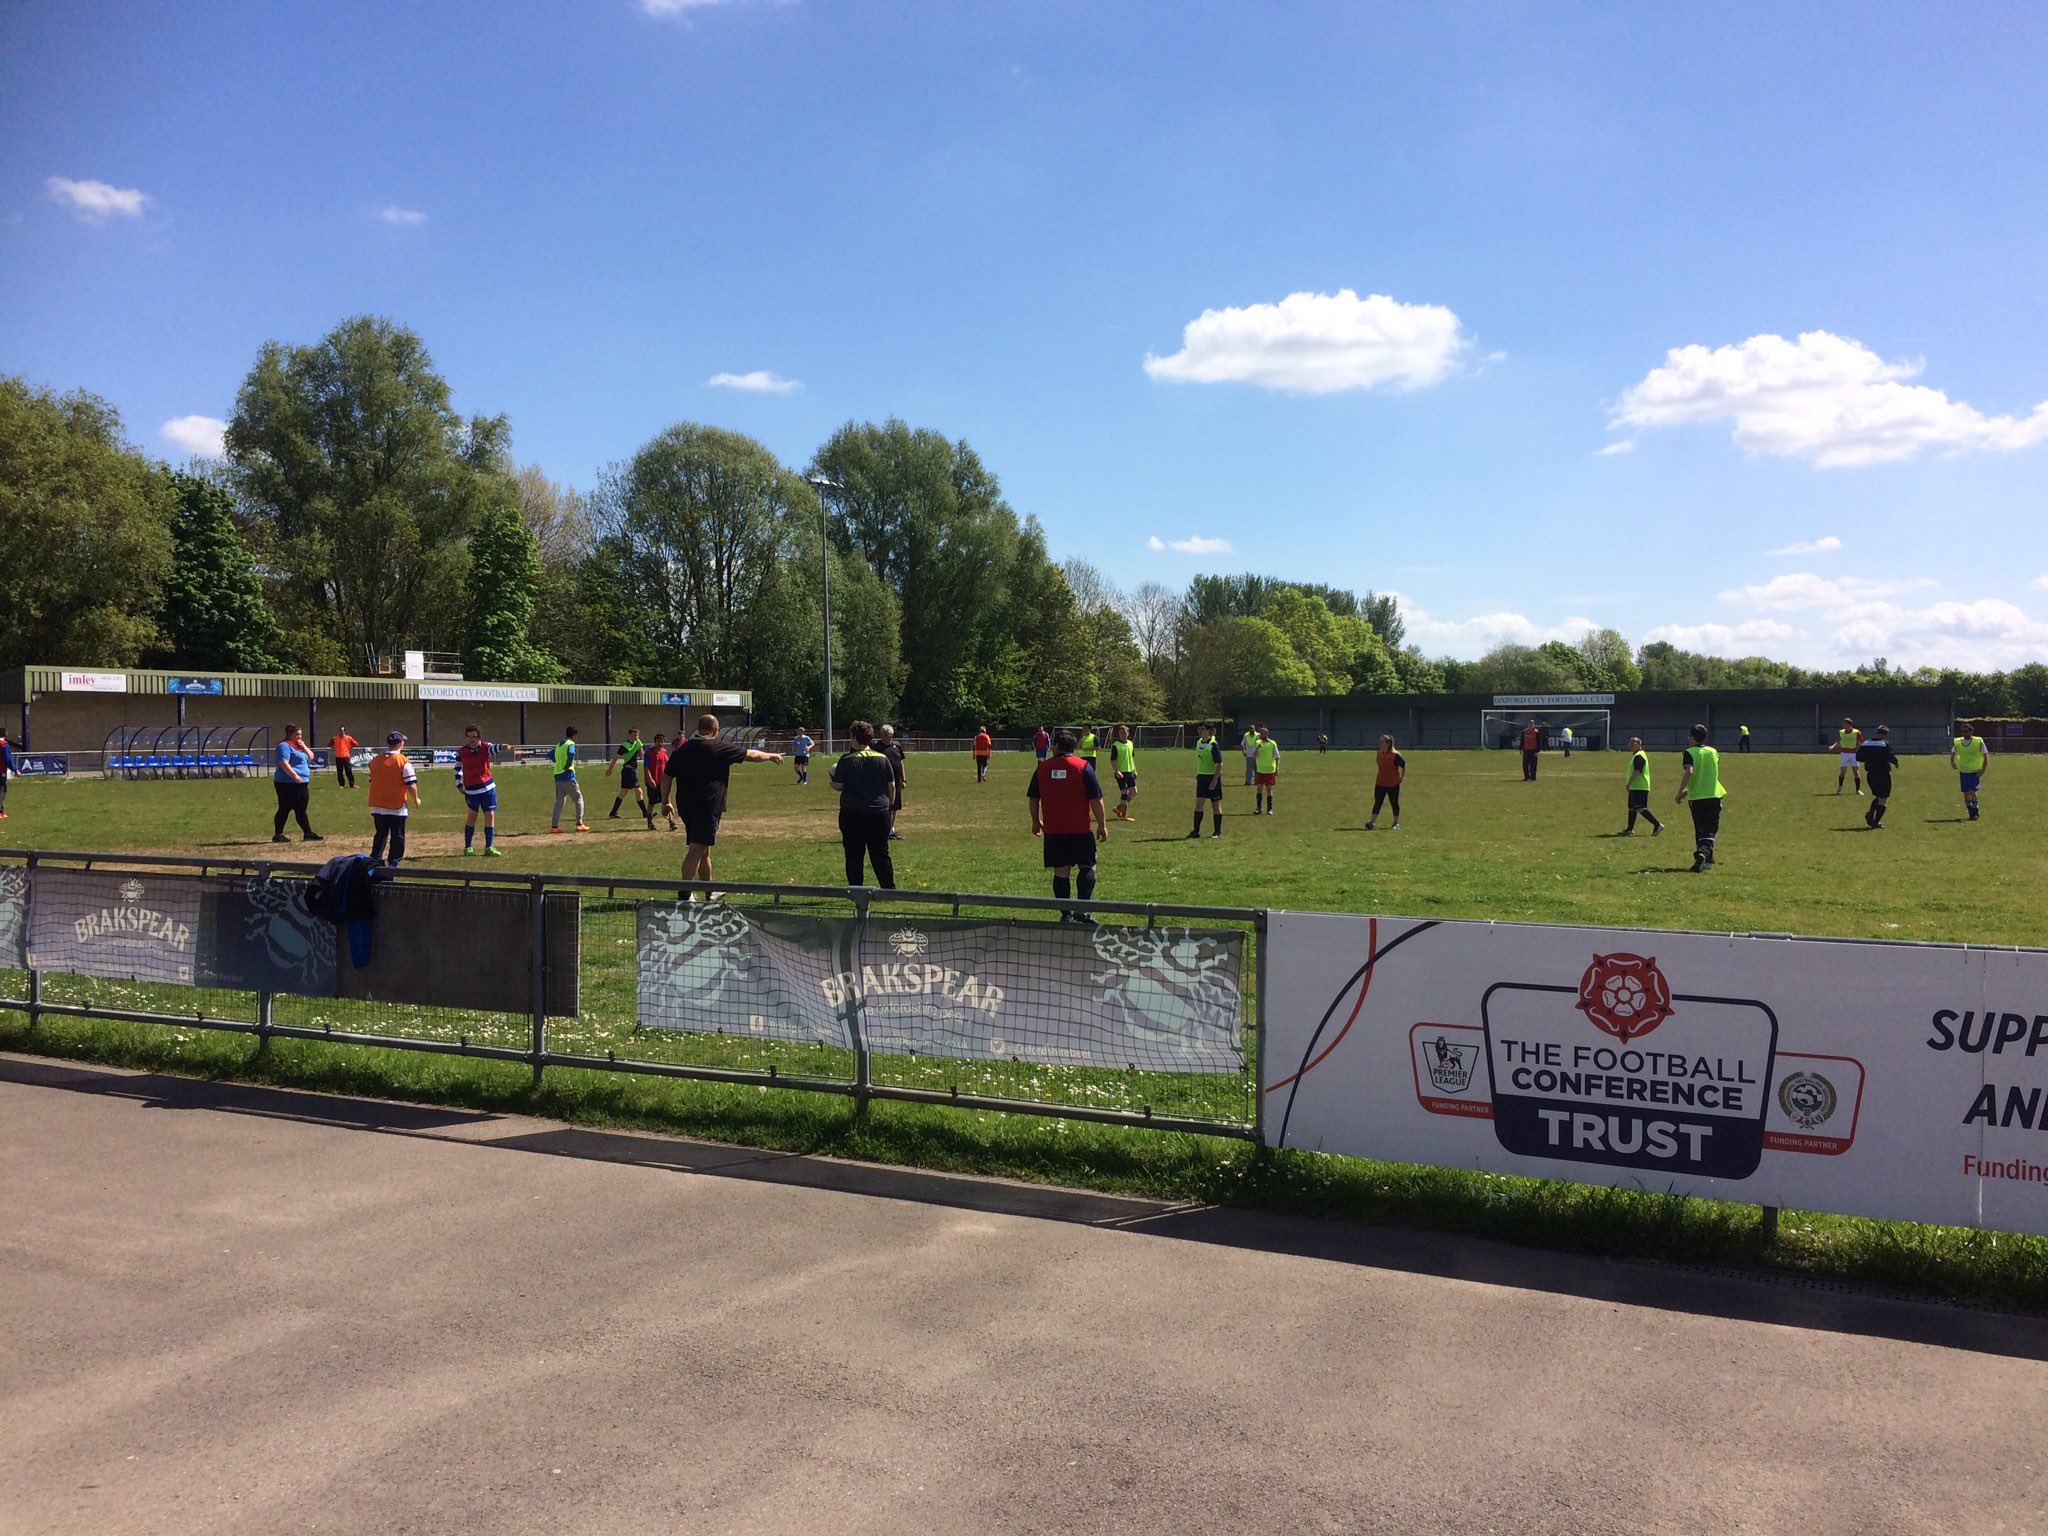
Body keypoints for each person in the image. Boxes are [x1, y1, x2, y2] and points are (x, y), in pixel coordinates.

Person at [672, 713, 783, 893]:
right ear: (715, 730)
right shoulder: (719, 748)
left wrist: (665, 802)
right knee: (697, 849)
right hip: (707, 806)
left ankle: (709, 890)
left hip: (686, 806)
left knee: (704, 848)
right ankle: (685, 894)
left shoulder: (682, 750)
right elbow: (752, 755)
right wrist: (771, 755)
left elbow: (667, 775)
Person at [1028, 727, 1108, 923]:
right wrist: (1102, 825)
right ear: (1074, 747)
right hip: (1080, 829)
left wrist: (1036, 821)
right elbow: (1096, 799)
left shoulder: (1042, 768)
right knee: (1088, 866)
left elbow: (1033, 798)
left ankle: (1066, 914)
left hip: (1054, 831)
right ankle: (1083, 909)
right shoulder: (1083, 767)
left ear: (1055, 746)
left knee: (1061, 872)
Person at [830, 719, 896, 888]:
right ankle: (888, 889)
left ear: (854, 738)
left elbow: (838, 785)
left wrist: (832, 782)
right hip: (879, 813)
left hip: (852, 813)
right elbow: (891, 786)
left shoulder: (846, 760)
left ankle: (856, 890)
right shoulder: (883, 759)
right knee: (881, 853)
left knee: (854, 854)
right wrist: (888, 806)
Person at [1674, 723, 1726, 873]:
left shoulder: (1689, 752)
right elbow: (1708, 774)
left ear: (1692, 737)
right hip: (1714, 794)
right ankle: (1706, 858)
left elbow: (1690, 772)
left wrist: (1680, 791)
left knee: (1701, 828)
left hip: (1697, 797)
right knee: (1710, 828)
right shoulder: (1713, 752)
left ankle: (1703, 854)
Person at [367, 731, 421, 866]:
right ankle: (394, 862)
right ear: (400, 743)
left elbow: (372, 780)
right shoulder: (403, 761)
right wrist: (416, 799)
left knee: (380, 834)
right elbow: (411, 785)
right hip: (396, 805)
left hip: (377, 805)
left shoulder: (375, 761)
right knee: (397, 835)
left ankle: (375, 859)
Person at [456, 724, 509, 855]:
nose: (471, 739)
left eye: (474, 736)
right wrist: (459, 784)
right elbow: (457, 769)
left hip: (487, 788)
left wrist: (502, 747)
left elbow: (493, 748)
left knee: (490, 815)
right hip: (471, 790)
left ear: (479, 737)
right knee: (472, 817)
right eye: (469, 736)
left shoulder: (485, 747)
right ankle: (468, 847)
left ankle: (489, 847)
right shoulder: (461, 752)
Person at [271, 723, 322, 844]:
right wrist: (294, 775)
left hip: (302, 782)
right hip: (287, 782)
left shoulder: (299, 746)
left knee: (300, 808)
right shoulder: (284, 746)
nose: (300, 737)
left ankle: (307, 833)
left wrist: (304, 746)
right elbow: (283, 763)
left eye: (301, 734)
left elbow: (310, 757)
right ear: (290, 734)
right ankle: (280, 834)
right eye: (297, 734)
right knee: (287, 808)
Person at [607, 727, 652, 826]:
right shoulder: (625, 746)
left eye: (637, 735)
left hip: (631, 771)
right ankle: (645, 813)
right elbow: (616, 758)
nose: (636, 737)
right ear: (629, 735)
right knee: (638, 791)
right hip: (629, 771)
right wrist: (610, 769)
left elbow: (641, 755)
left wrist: (641, 751)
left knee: (623, 792)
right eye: (634, 735)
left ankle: (613, 812)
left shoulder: (638, 742)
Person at [1857, 725, 1900, 829]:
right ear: (1885, 734)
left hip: (1871, 774)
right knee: (1883, 798)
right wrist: (1896, 762)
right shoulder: (1884, 744)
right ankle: (1876, 822)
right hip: (1883, 773)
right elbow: (1890, 756)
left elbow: (1859, 757)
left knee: (1878, 796)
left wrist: (1869, 760)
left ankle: (1871, 814)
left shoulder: (1866, 743)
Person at [1187, 721, 1224, 839]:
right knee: (1199, 804)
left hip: (1212, 778)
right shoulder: (1199, 742)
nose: (1200, 731)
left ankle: (1217, 832)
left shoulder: (1213, 745)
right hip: (1202, 777)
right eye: (1199, 729)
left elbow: (1219, 764)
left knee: (1215, 805)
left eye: (1203, 729)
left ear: (1209, 731)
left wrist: (1215, 780)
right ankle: (1196, 831)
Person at [1620, 736, 1662, 836]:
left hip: (1640, 786)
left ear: (1639, 744)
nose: (1631, 745)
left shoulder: (1639, 756)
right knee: (1632, 808)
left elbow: (1637, 771)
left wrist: (1629, 783)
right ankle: (1630, 829)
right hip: (1636, 787)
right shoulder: (1636, 755)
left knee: (1640, 807)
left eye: (1633, 743)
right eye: (1630, 743)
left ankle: (1657, 824)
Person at [551, 727, 589, 833]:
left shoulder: (559, 745)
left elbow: (550, 754)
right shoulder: (570, 744)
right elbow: (571, 753)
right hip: (568, 775)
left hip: (557, 775)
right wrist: (568, 764)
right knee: (578, 798)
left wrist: (558, 762)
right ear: (574, 735)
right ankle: (579, 824)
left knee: (560, 801)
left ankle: (554, 826)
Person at [1950, 721, 1990, 821]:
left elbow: (1985, 755)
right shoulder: (1958, 742)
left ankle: (1975, 811)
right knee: (1966, 792)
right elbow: (1953, 752)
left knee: (1972, 791)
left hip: (1974, 771)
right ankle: (1970, 811)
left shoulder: (1978, 741)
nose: (1965, 733)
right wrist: (1952, 762)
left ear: (1971, 731)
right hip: (1964, 771)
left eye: (1966, 731)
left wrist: (1983, 770)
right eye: (1963, 731)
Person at [1367, 734, 1405, 830]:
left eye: (1382, 742)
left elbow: (1403, 765)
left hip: (1392, 784)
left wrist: (1401, 777)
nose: (1380, 744)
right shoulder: (1379, 754)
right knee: (1378, 802)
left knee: (1394, 803)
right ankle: (1372, 822)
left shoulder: (1395, 755)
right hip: (1380, 782)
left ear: (1388, 743)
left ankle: (1395, 823)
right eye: (1380, 742)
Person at [878, 724, 907, 840]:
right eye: (883, 734)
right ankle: (882, 829)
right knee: (884, 805)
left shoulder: (897, 746)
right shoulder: (876, 747)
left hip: (896, 780)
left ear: (892, 735)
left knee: (895, 806)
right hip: (882, 782)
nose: (885, 736)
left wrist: (903, 779)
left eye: (887, 734)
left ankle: (891, 829)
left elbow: (901, 763)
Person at [645, 734, 679, 831]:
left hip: (663, 782)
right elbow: (646, 768)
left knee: (667, 801)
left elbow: (667, 765)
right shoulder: (649, 753)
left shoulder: (664, 752)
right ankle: (650, 823)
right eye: (658, 741)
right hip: (653, 782)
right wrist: (650, 779)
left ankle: (671, 822)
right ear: (654, 742)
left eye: (662, 741)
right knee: (652, 802)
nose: (660, 743)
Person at [1109, 724, 1139, 821]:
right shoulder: (1116, 745)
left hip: (1129, 772)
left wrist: (1134, 770)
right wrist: (1117, 771)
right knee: (1124, 793)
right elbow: (1112, 760)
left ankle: (1119, 808)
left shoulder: (1130, 743)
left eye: (1124, 733)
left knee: (1133, 792)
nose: (1123, 735)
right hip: (1121, 773)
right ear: (1119, 734)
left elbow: (1131, 758)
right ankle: (1124, 815)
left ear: (1128, 733)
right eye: (1121, 733)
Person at [1252, 724, 1281, 815]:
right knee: (1259, 788)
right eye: (1260, 733)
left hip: (1269, 770)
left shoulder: (1272, 743)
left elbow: (1277, 757)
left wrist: (1277, 769)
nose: (1260, 734)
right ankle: (1258, 808)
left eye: (1262, 733)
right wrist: (1257, 749)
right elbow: (1254, 756)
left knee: (1269, 789)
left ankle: (1269, 809)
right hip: (1260, 770)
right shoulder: (1257, 743)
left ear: (1267, 734)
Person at [1832, 717, 1864, 795]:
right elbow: (1839, 740)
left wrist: (1862, 751)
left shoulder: (1856, 732)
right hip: (1844, 753)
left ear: (1849, 724)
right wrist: (1833, 746)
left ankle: (1858, 790)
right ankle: (1840, 788)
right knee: (1842, 772)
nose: (1843, 725)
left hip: (1853, 753)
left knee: (1856, 772)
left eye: (1845, 724)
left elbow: (1861, 743)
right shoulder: (1841, 732)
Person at [0, 729, 15, 820]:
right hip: (1, 771)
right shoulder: (4, 744)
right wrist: (15, 770)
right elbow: (8, 759)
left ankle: (1, 812)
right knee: (2, 791)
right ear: (5, 734)